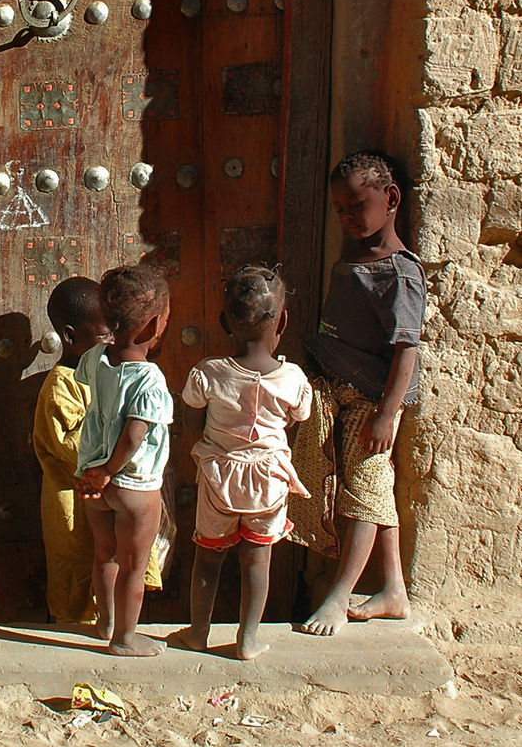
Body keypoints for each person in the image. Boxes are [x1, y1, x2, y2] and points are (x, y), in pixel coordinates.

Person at [288, 150, 427, 636]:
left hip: (372, 401)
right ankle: (393, 590)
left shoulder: (400, 273)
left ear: (391, 199)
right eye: (339, 208)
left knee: (366, 492)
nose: (347, 216)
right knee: (373, 491)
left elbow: (407, 347)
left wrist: (388, 413)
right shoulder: (355, 256)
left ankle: (339, 595)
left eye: (356, 205)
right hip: (339, 393)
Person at [172, 265, 312, 660]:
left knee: (207, 558)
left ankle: (198, 632)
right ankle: (247, 640)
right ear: (282, 320)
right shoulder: (294, 378)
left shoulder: (208, 373)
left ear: (223, 321)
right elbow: (297, 419)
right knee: (257, 560)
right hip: (269, 480)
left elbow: (192, 421)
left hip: (220, 478)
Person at [32, 276, 164, 623]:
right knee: (79, 574)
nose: (113, 340)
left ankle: (117, 627)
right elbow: (74, 445)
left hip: (106, 495)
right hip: (77, 503)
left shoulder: (106, 370)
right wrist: (120, 458)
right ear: (71, 336)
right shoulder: (61, 386)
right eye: (105, 334)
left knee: (116, 564)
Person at [76, 264, 173, 657]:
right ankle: (125, 638)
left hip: (93, 476)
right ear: (152, 327)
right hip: (133, 484)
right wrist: (110, 471)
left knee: (105, 555)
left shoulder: (95, 357)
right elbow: (135, 434)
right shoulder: (150, 379)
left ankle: (106, 623)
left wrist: (97, 472)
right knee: (135, 564)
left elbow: (91, 390)